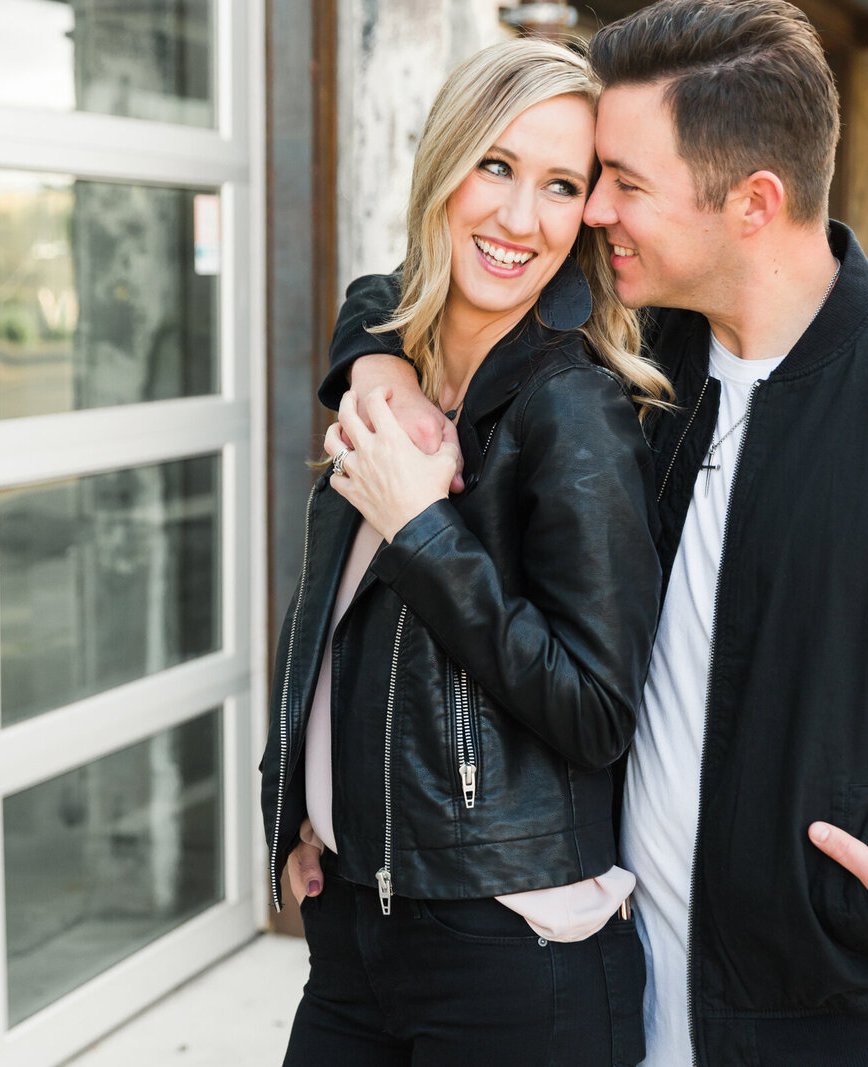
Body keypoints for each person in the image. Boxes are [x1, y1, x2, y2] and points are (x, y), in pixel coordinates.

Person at [301, 3, 868, 1066]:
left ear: (753, 202)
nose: (590, 216)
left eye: (621, 183)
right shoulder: (638, 354)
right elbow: (436, 277)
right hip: (641, 994)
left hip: (860, 1023)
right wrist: (375, 362)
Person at [260, 37, 672, 1066]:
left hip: (513, 952)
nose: (518, 217)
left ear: (587, 212)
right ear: (444, 165)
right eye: (495, 164)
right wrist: (307, 811)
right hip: (361, 927)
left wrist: (423, 531)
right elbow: (343, 628)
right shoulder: (395, 360)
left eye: (559, 184)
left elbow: (596, 708)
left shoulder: (572, 407)